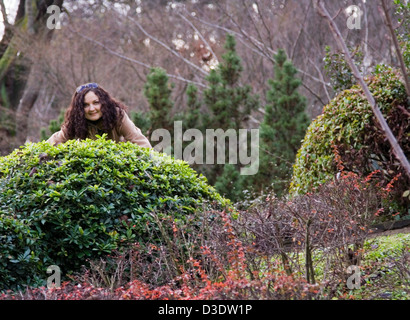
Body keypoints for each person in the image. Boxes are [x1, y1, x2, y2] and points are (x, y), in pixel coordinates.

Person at [47, 83, 152, 148]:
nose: (92, 109)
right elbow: (56, 140)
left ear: (103, 102)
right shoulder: (77, 119)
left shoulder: (117, 115)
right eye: (86, 105)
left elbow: (138, 140)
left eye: (96, 102)